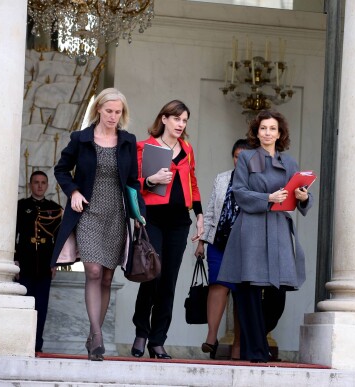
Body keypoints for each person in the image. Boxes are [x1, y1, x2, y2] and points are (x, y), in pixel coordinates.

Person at [51, 88, 145, 361]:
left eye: (118, 112)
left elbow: (133, 183)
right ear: (99, 110)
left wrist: (139, 213)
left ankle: (93, 336)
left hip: (116, 214)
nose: (113, 116)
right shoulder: (80, 139)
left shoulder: (127, 141)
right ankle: (97, 334)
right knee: (92, 270)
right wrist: (73, 191)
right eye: (109, 111)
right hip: (88, 213)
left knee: (106, 276)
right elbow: (61, 169)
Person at [218, 110, 313, 363]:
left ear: (280, 133)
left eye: (272, 129)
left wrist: (304, 197)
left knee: (277, 295)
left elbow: (298, 194)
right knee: (249, 290)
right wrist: (267, 198)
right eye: (263, 128)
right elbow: (238, 192)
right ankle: (257, 352)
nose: (267, 133)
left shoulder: (290, 162)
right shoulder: (246, 158)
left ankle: (255, 342)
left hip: (279, 229)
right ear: (256, 132)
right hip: (251, 228)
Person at [131, 100, 204, 359]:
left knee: (169, 281)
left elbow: (192, 183)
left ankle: (158, 340)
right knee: (152, 275)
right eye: (176, 119)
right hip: (152, 218)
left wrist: (200, 215)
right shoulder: (144, 147)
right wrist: (151, 180)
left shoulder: (187, 149)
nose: (180, 124)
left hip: (178, 221)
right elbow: (133, 185)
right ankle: (141, 332)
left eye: (184, 120)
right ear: (164, 119)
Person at [194, 139, 249, 360]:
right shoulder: (222, 178)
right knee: (217, 285)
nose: (240, 161)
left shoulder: (258, 181)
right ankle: (211, 337)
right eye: (237, 156)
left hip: (245, 246)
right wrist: (201, 241)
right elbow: (209, 212)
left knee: (241, 293)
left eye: (244, 157)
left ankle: (237, 344)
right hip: (218, 242)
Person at [15, 170, 63, 353]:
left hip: (44, 263)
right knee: (24, 305)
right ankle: (21, 344)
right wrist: (15, 261)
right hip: (25, 262)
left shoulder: (55, 208)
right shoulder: (20, 206)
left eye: (43, 182)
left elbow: (58, 239)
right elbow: (14, 235)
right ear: (30, 185)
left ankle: (37, 345)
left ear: (47, 185)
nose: (40, 186)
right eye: (36, 182)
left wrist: (55, 263)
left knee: (41, 308)